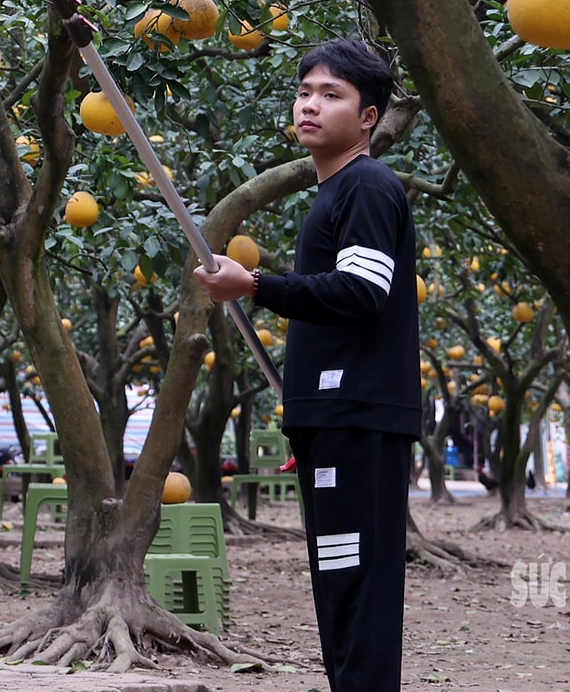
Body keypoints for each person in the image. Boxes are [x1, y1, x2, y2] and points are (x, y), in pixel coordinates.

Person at [196, 39, 419, 692]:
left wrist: (255, 284)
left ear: (369, 116)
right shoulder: (334, 192)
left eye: (331, 94)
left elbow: (362, 291)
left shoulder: (367, 186)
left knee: (357, 585)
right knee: (340, 583)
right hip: (332, 419)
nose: (310, 105)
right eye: (304, 93)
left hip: (358, 416)